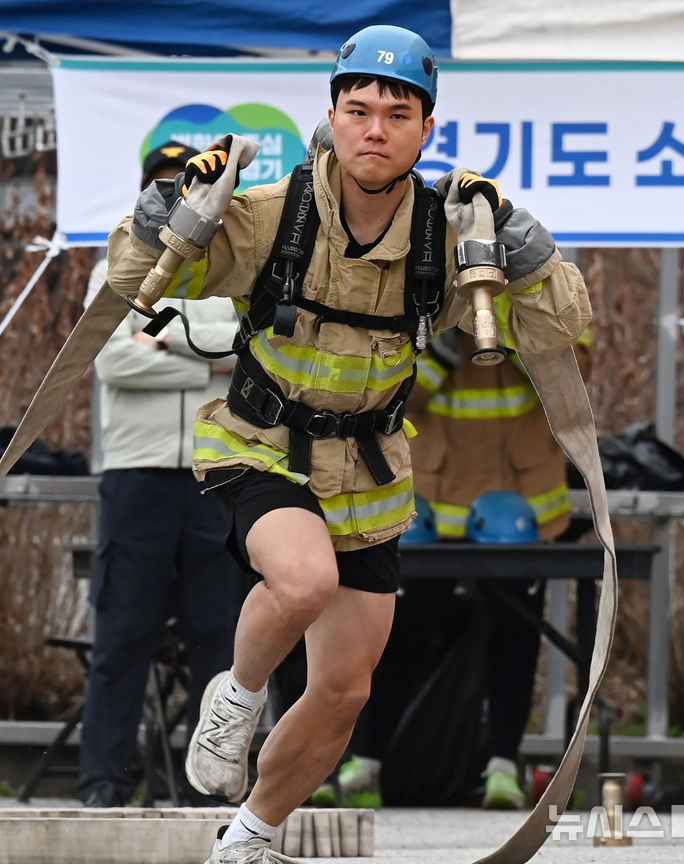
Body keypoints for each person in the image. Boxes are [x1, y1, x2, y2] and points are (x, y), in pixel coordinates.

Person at [105, 23, 591, 864]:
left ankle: (248, 838)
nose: (375, 127)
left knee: (343, 690)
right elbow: (137, 283)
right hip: (262, 446)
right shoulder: (271, 217)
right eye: (358, 108)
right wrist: (163, 213)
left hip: (369, 476)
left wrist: (530, 252)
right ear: (330, 113)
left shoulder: (450, 240)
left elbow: (562, 333)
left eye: (397, 113)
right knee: (301, 581)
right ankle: (237, 696)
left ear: (425, 129)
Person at [333, 322, 592, 811]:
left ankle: (502, 765)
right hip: (433, 504)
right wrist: (445, 348)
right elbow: (387, 401)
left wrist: (505, 332)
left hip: (522, 505)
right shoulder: (422, 284)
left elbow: (574, 378)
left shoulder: (540, 285)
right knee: (398, 634)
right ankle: (367, 761)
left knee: (515, 636)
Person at [78, 141, 252, 808]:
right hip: (138, 476)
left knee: (220, 637)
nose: (182, 198)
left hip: (219, 473)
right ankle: (102, 782)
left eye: (192, 186)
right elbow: (113, 365)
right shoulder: (116, 270)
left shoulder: (233, 272)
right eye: (168, 186)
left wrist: (166, 339)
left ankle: (204, 787)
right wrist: (204, 357)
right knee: (123, 634)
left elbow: (247, 356)